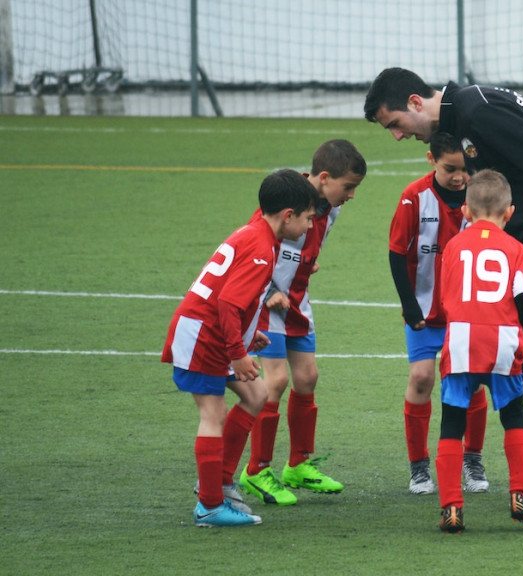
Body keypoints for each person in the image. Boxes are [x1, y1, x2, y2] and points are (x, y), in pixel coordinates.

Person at [364, 68, 523, 507]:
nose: (398, 136)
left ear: (414, 103)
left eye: (395, 125)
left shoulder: (476, 113)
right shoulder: (466, 113)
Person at [161, 169, 319, 527]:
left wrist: (249, 338)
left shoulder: (258, 235)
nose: (311, 227)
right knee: (212, 415)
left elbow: (233, 299)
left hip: (214, 333)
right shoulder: (263, 248)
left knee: (256, 394)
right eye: (309, 218)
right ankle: (210, 505)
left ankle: (221, 481)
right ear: (288, 215)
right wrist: (238, 352)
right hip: (204, 336)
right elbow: (228, 305)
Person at [239, 140, 366, 507]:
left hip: (297, 300)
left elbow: (306, 247)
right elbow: (254, 244)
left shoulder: (330, 208)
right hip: (268, 300)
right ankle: (257, 470)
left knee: (307, 378)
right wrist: (266, 293)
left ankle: (298, 464)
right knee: (275, 381)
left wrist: (306, 265)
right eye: (348, 187)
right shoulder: (287, 196)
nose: (352, 195)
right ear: (323, 178)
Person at [435, 169, 523, 532]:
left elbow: (446, 298)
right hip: (502, 340)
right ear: (509, 213)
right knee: (513, 416)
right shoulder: (518, 249)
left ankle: (451, 507)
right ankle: (521, 496)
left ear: (465, 212)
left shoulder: (453, 246)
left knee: (452, 422)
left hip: (462, 339)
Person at [388, 131, 491, 496]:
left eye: (465, 169)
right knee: (421, 379)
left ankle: (473, 459)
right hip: (423, 311)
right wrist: (409, 302)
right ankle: (419, 468)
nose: (460, 177)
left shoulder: (479, 199)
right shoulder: (413, 197)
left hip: (466, 312)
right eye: (451, 169)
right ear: (432, 161)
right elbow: (397, 253)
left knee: (472, 381)